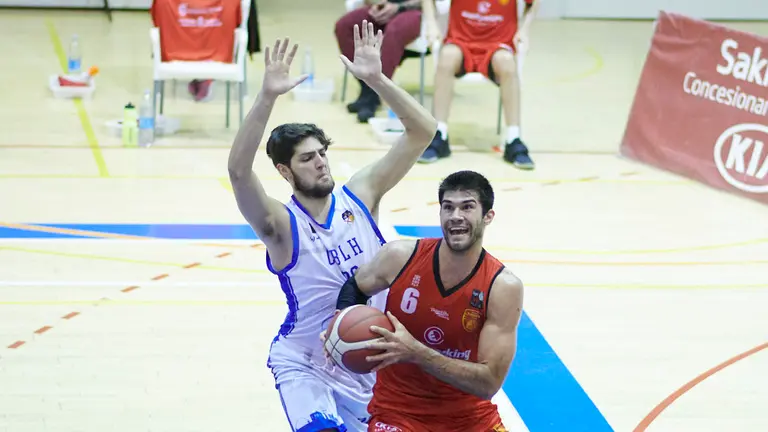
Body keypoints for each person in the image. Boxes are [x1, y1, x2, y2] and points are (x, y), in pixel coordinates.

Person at [227, 20, 438, 432]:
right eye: (308, 158)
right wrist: (268, 96)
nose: (321, 162)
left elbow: (423, 130)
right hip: (306, 361)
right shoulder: (279, 225)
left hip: (366, 358)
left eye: (322, 153)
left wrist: (377, 80)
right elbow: (237, 172)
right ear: (284, 170)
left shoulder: (361, 194)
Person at [331, 170, 524, 432]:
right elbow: (355, 287)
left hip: (471, 420)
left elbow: (488, 383)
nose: (456, 216)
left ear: (488, 216)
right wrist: (339, 325)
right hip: (398, 414)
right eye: (448, 207)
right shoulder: (400, 257)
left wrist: (416, 353)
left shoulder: (502, 287)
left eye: (467, 207)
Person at [418, 0, 540, 169]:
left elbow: (533, 3)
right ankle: (440, 134)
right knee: (446, 58)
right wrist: (431, 24)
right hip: (461, 42)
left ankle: (514, 138)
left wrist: (524, 29)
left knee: (507, 62)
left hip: (497, 44)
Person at [335, 0, 424, 123]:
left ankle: (373, 92)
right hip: (384, 7)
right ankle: (368, 88)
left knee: (394, 31)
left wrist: (399, 7)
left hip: (418, 10)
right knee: (344, 26)